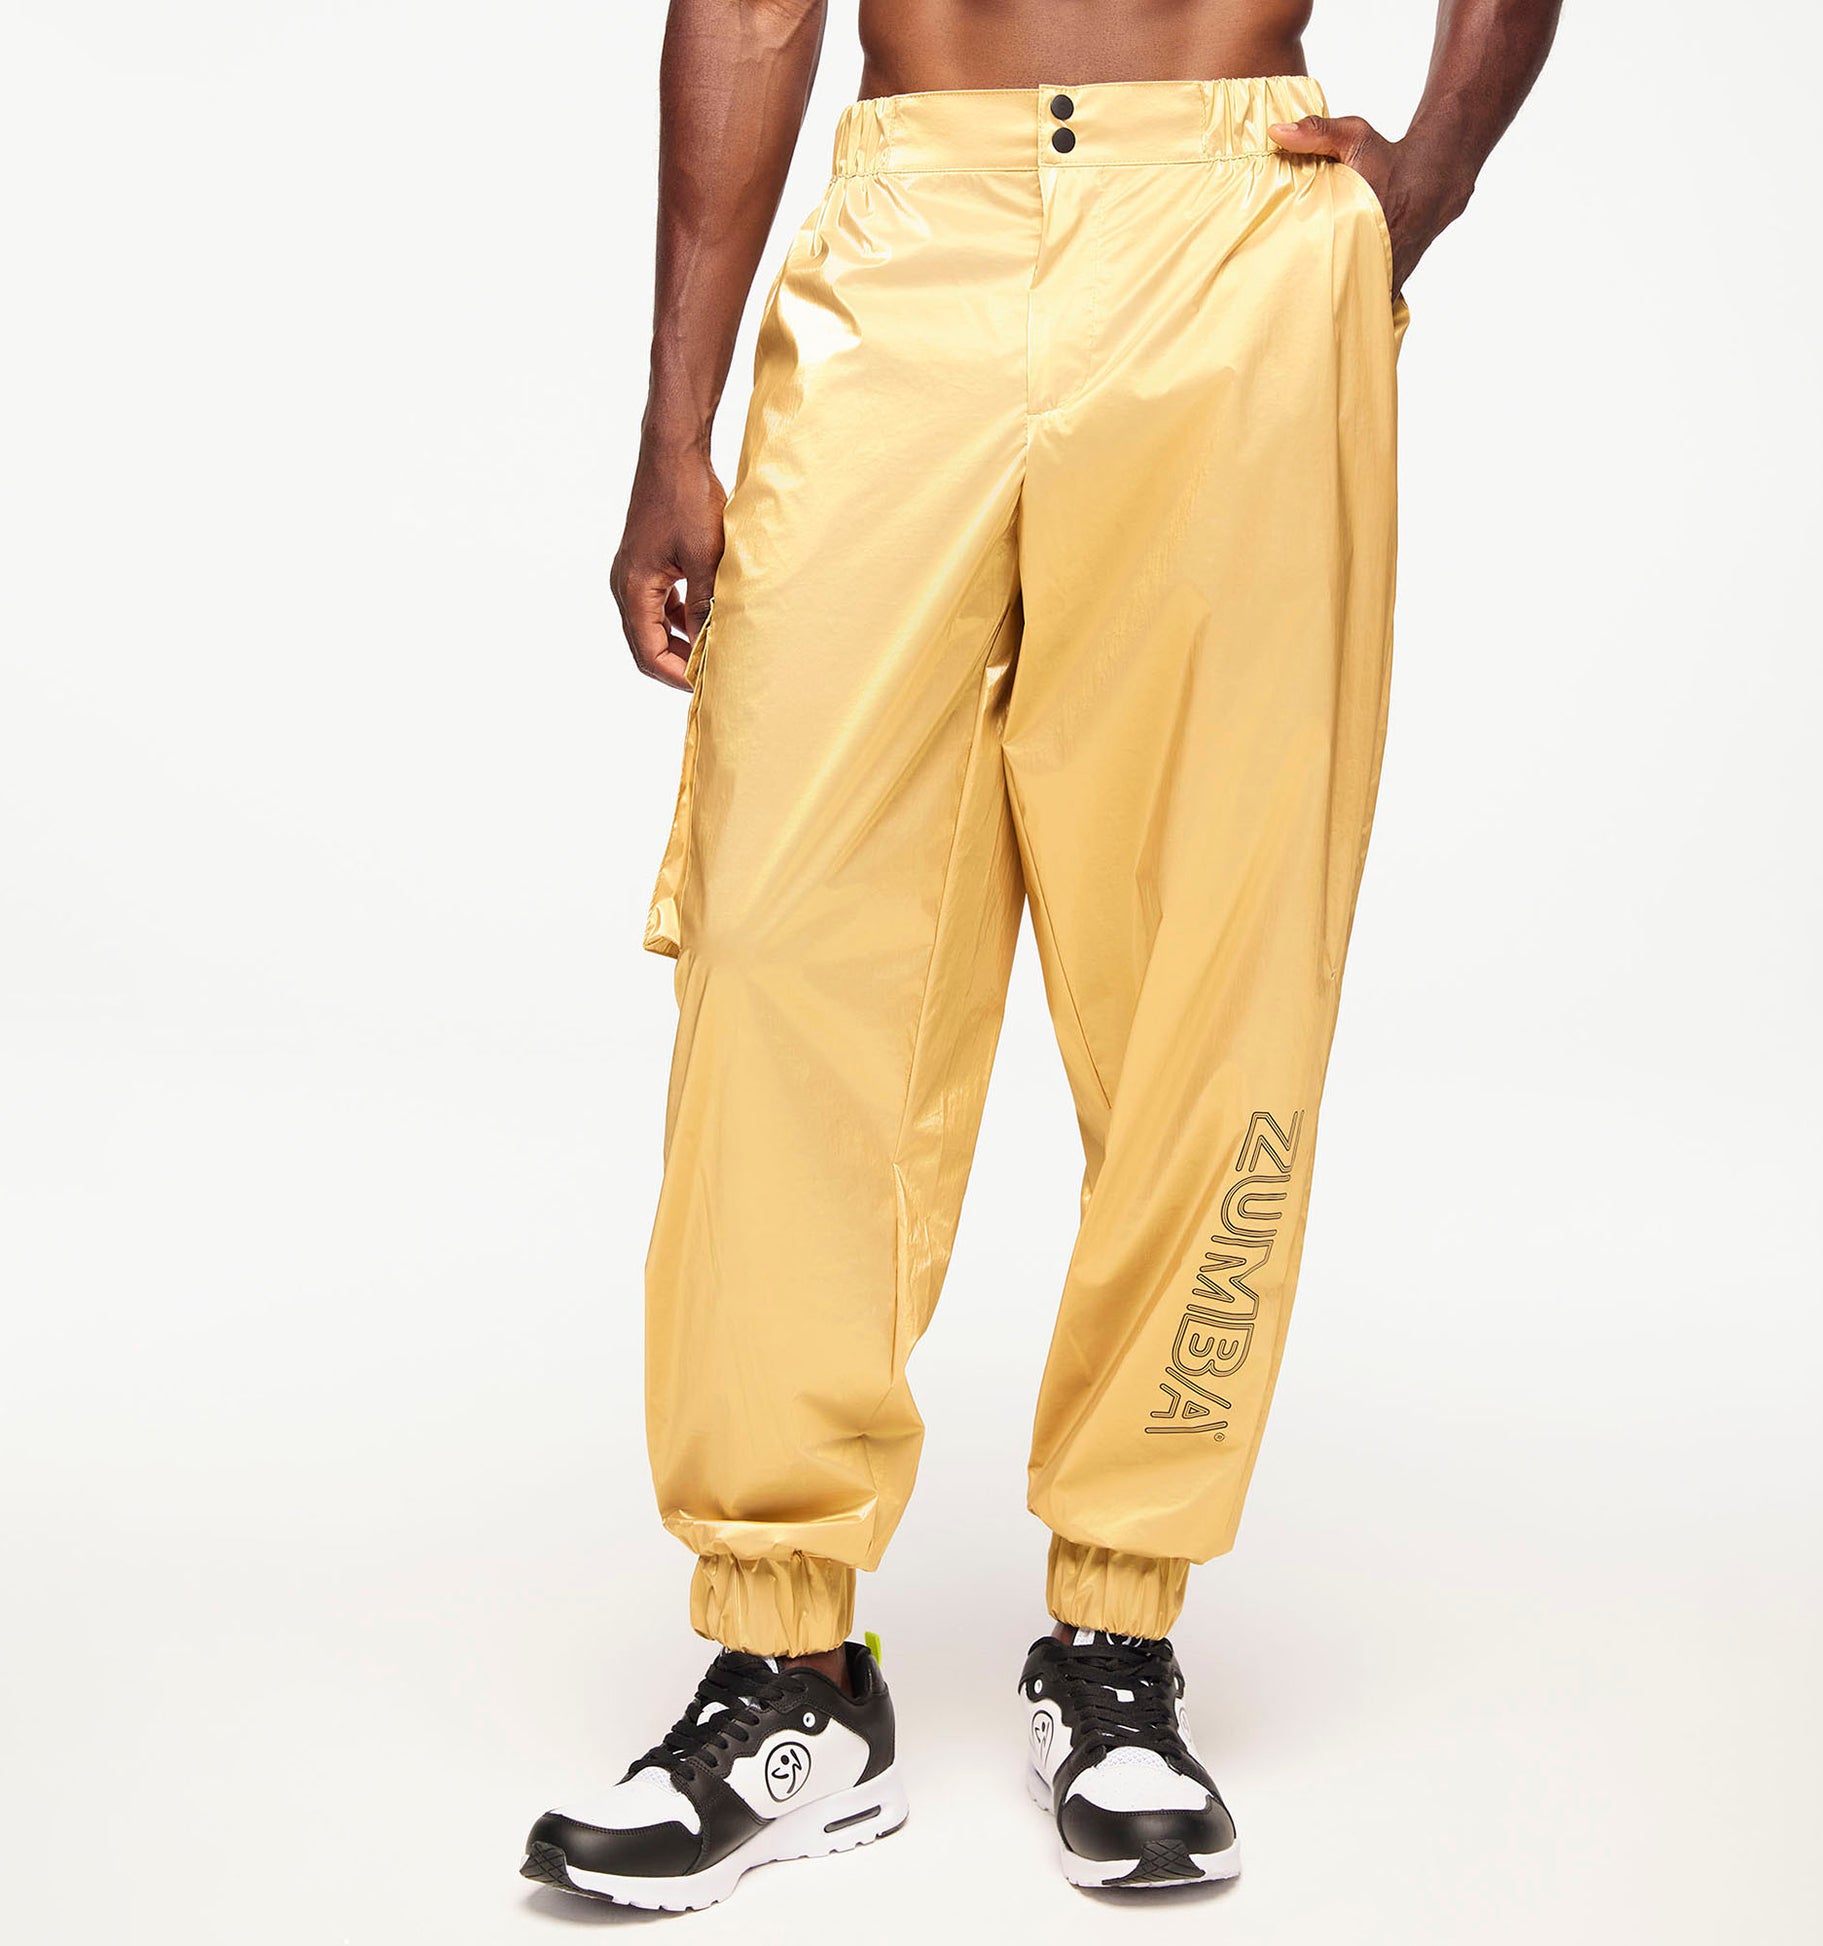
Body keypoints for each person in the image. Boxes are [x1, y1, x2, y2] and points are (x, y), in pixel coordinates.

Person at [522, 0, 1561, 1910]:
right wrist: (677, 420)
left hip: (1229, 231)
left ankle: (1116, 1639)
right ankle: (787, 1669)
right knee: (775, 946)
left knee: (1209, 956)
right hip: (909, 219)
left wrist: (1430, 176)